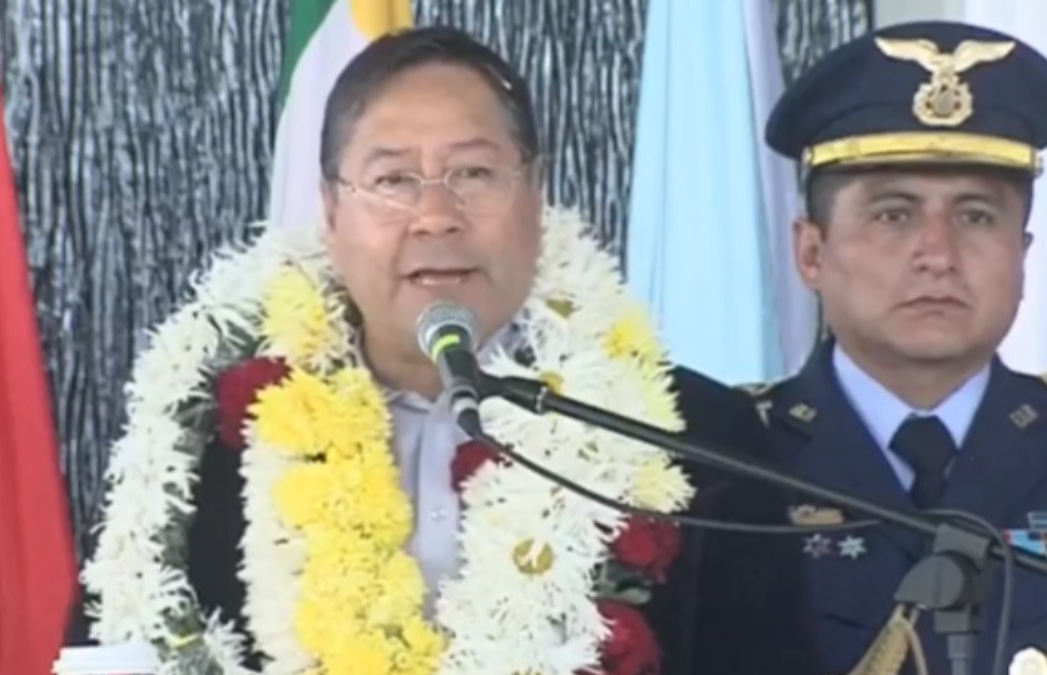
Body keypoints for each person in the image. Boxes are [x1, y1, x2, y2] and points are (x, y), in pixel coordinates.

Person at [68, 27, 817, 675]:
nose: (435, 215)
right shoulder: (197, 441)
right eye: (393, 179)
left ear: (536, 194)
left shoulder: (693, 441)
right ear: (330, 211)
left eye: (473, 173)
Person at [755, 18, 1047, 675]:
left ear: (1022, 253)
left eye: (976, 216)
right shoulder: (723, 457)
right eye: (893, 214)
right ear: (810, 253)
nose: (938, 254)